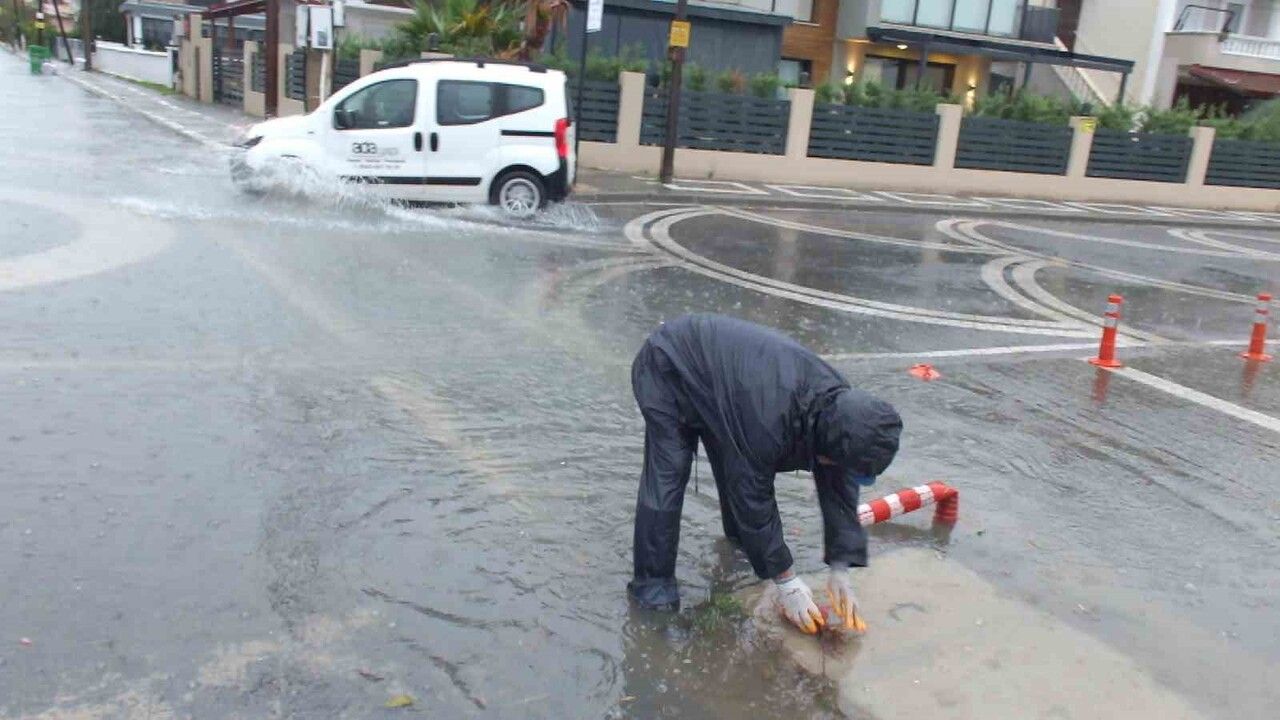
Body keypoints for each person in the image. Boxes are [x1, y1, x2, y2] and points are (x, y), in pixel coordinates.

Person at [628, 314, 903, 634]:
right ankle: (652, 592)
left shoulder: (844, 413)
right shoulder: (768, 421)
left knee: (737, 458)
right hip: (669, 365)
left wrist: (841, 565)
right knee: (668, 477)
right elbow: (751, 495)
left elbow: (839, 481)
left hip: (729, 387)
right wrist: (786, 580)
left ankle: (741, 541)